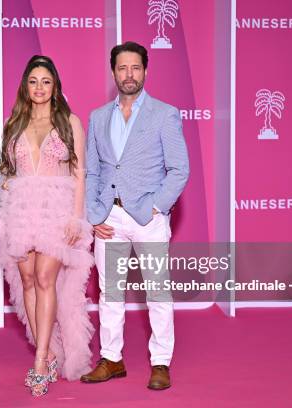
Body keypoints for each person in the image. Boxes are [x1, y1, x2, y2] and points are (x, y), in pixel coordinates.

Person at [80, 41, 189, 390]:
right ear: (114, 72)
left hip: (148, 218)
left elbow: (179, 169)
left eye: (135, 68)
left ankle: (160, 362)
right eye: (122, 68)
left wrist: (157, 207)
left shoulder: (164, 113)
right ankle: (111, 358)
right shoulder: (98, 117)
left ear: (145, 70)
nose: (129, 74)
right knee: (110, 292)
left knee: (157, 292)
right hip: (109, 218)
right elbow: (92, 171)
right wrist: (94, 213)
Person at [0, 55, 94, 397]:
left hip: (56, 209)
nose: (39, 88)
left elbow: (80, 174)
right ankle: (48, 351)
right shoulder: (13, 122)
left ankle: (39, 361)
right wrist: (6, 191)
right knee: (26, 280)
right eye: (33, 81)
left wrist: (76, 218)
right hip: (21, 209)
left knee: (45, 277)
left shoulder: (70, 122)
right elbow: (7, 170)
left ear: (55, 86)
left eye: (46, 81)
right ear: (25, 85)